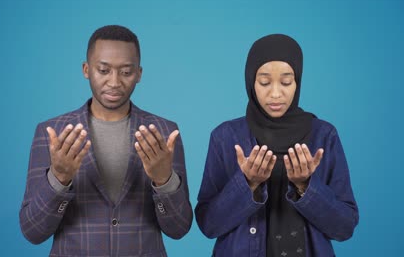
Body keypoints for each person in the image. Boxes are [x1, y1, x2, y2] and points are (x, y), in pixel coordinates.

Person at [19, 25, 193, 256]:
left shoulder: (164, 132)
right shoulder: (52, 133)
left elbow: (179, 228)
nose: (114, 82)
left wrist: (164, 180)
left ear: (139, 74)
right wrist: (59, 178)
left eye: (126, 72)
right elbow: (32, 231)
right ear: (86, 69)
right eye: (103, 70)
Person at [195, 34, 358, 256]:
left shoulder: (324, 135)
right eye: (264, 82)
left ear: (297, 82)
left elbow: (345, 228)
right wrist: (247, 184)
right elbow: (209, 225)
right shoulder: (225, 137)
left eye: (286, 82)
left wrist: (306, 186)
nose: (275, 93)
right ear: (251, 82)